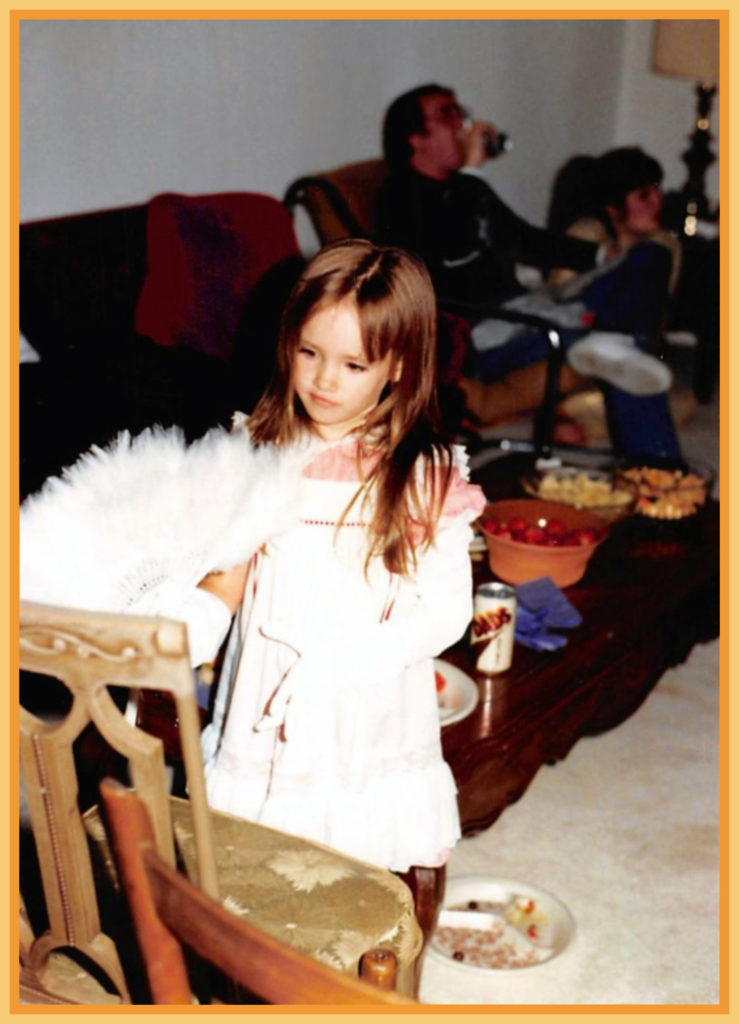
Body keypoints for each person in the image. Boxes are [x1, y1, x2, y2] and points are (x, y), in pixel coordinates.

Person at [194, 239, 486, 875]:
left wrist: (336, 662)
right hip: (264, 693)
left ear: (399, 367)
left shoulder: (421, 473)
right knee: (255, 859)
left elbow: (444, 612)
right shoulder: (253, 446)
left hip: (362, 694)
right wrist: (185, 629)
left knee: (352, 862)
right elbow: (226, 574)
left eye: (354, 366)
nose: (325, 381)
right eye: (309, 353)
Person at [377, 85, 681, 457]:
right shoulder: (400, 198)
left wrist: (607, 254)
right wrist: (472, 173)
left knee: (652, 254)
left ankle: (612, 339)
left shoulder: (470, 192)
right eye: (447, 115)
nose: (463, 124)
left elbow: (531, 241)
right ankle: (661, 475)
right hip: (484, 333)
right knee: (623, 350)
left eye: (461, 111)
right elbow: (450, 255)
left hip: (532, 310)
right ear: (415, 139)